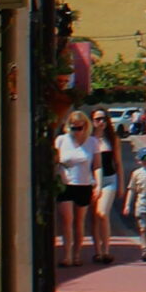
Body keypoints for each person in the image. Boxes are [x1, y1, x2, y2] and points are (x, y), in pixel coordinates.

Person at [54, 112, 99, 267]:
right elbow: (55, 161)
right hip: (66, 184)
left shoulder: (92, 142)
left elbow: (97, 165)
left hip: (84, 184)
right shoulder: (61, 140)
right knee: (67, 220)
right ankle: (67, 255)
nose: (77, 131)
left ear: (86, 126)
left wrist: (98, 184)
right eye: (73, 128)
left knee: (79, 222)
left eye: (80, 128)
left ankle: (77, 254)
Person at [90, 108, 121, 262]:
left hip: (109, 180)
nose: (101, 122)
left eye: (103, 119)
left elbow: (118, 163)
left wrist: (121, 185)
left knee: (102, 213)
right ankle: (98, 252)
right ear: (92, 122)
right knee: (94, 217)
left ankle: (106, 250)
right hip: (91, 181)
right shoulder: (88, 139)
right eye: (97, 119)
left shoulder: (112, 139)